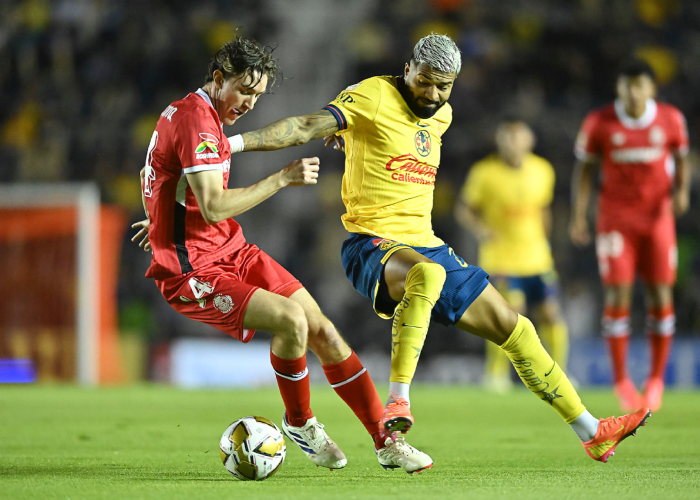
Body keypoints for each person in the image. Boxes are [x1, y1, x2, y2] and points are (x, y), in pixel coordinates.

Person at [228, 34, 650, 463]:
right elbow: (303, 126)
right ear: (408, 68)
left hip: (428, 244)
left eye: (442, 86)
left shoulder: (442, 115)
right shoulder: (372, 95)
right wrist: (232, 145)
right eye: (425, 82)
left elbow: (386, 143)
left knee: (514, 327)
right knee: (425, 274)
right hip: (372, 244)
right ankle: (398, 401)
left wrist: (353, 139)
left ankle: (591, 430)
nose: (431, 94)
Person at [131, 37, 432, 474]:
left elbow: (152, 171)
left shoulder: (196, 113)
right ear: (218, 80)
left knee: (324, 331)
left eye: (258, 94)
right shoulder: (198, 122)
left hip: (230, 248)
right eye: (244, 91)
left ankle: (386, 441)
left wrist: (158, 215)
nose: (250, 103)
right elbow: (213, 206)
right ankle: (301, 423)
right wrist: (281, 180)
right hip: (192, 269)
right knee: (291, 320)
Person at [570, 59, 691, 412]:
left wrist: (682, 192)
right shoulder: (600, 122)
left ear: (652, 88)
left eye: (640, 85)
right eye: (627, 85)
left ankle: (655, 380)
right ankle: (622, 380)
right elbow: (585, 170)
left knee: (659, 295)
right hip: (616, 220)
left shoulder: (671, 118)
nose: (634, 92)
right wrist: (579, 214)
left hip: (657, 220)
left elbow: (682, 157)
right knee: (618, 294)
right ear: (619, 89)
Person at [455, 120, 569, 392]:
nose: (514, 145)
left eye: (519, 139)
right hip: (502, 258)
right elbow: (466, 209)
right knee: (512, 314)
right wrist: (482, 230)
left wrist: (547, 242)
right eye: (508, 140)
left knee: (552, 314)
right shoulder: (484, 173)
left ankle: (559, 373)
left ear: (529, 142)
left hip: (538, 257)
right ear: (500, 143)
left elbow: (543, 209)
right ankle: (496, 375)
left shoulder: (543, 170)